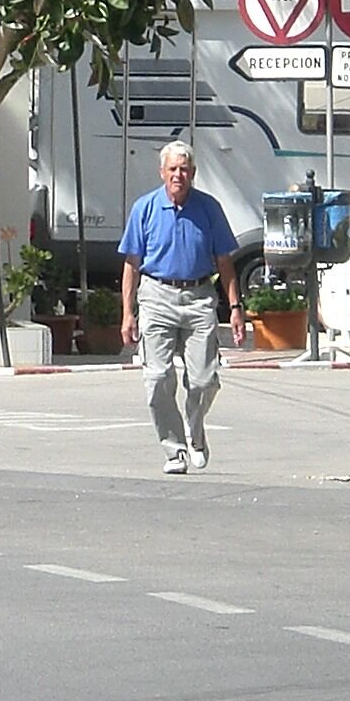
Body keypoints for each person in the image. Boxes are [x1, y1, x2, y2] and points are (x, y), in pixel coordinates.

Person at [118, 141, 246, 474]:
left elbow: (225, 261)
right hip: (156, 296)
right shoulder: (144, 208)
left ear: (193, 173)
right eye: (173, 169)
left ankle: (195, 430)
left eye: (185, 169)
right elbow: (132, 264)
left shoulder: (208, 209)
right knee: (158, 377)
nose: (179, 175)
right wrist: (128, 313)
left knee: (204, 381)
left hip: (199, 297)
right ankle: (174, 450)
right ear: (162, 172)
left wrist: (235, 308)